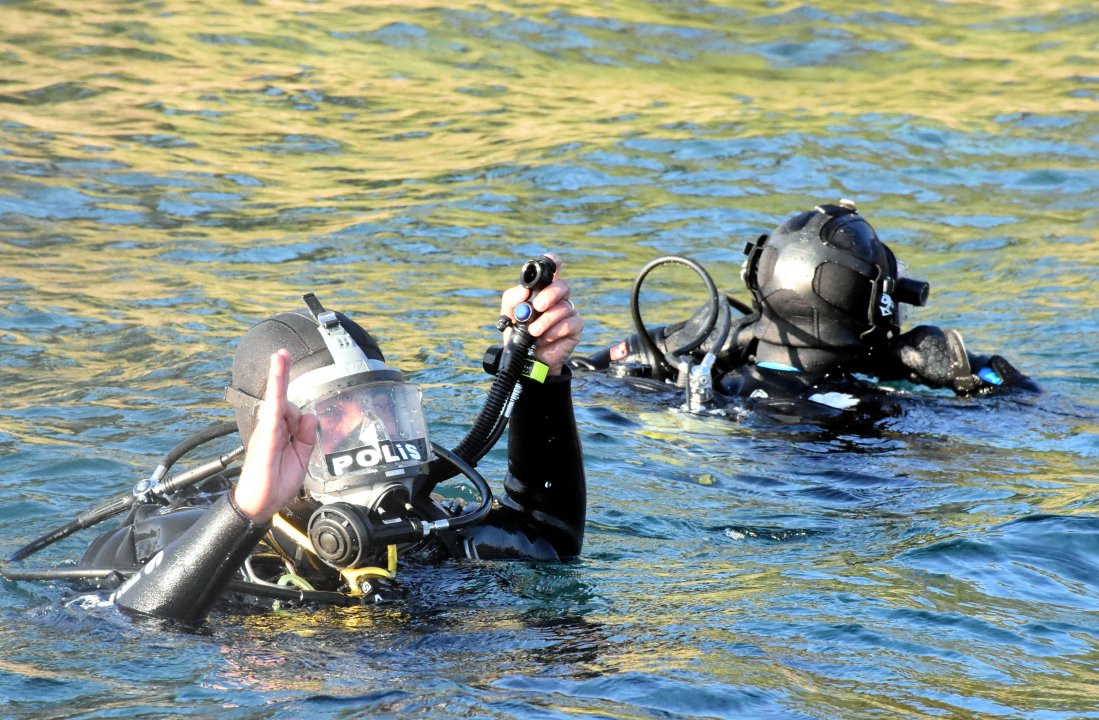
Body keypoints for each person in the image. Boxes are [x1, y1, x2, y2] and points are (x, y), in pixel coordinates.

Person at [69, 258, 585, 626]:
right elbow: (137, 629)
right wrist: (245, 512)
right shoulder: (167, 541)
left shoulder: (421, 530)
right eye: (336, 416)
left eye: (381, 409)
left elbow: (549, 544)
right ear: (270, 431)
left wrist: (543, 373)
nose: (372, 433)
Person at [574, 201, 1040, 422]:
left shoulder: (713, 372)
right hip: (829, 499)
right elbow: (1038, 414)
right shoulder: (873, 409)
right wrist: (968, 372)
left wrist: (671, 346)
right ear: (873, 302)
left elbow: (573, 373)